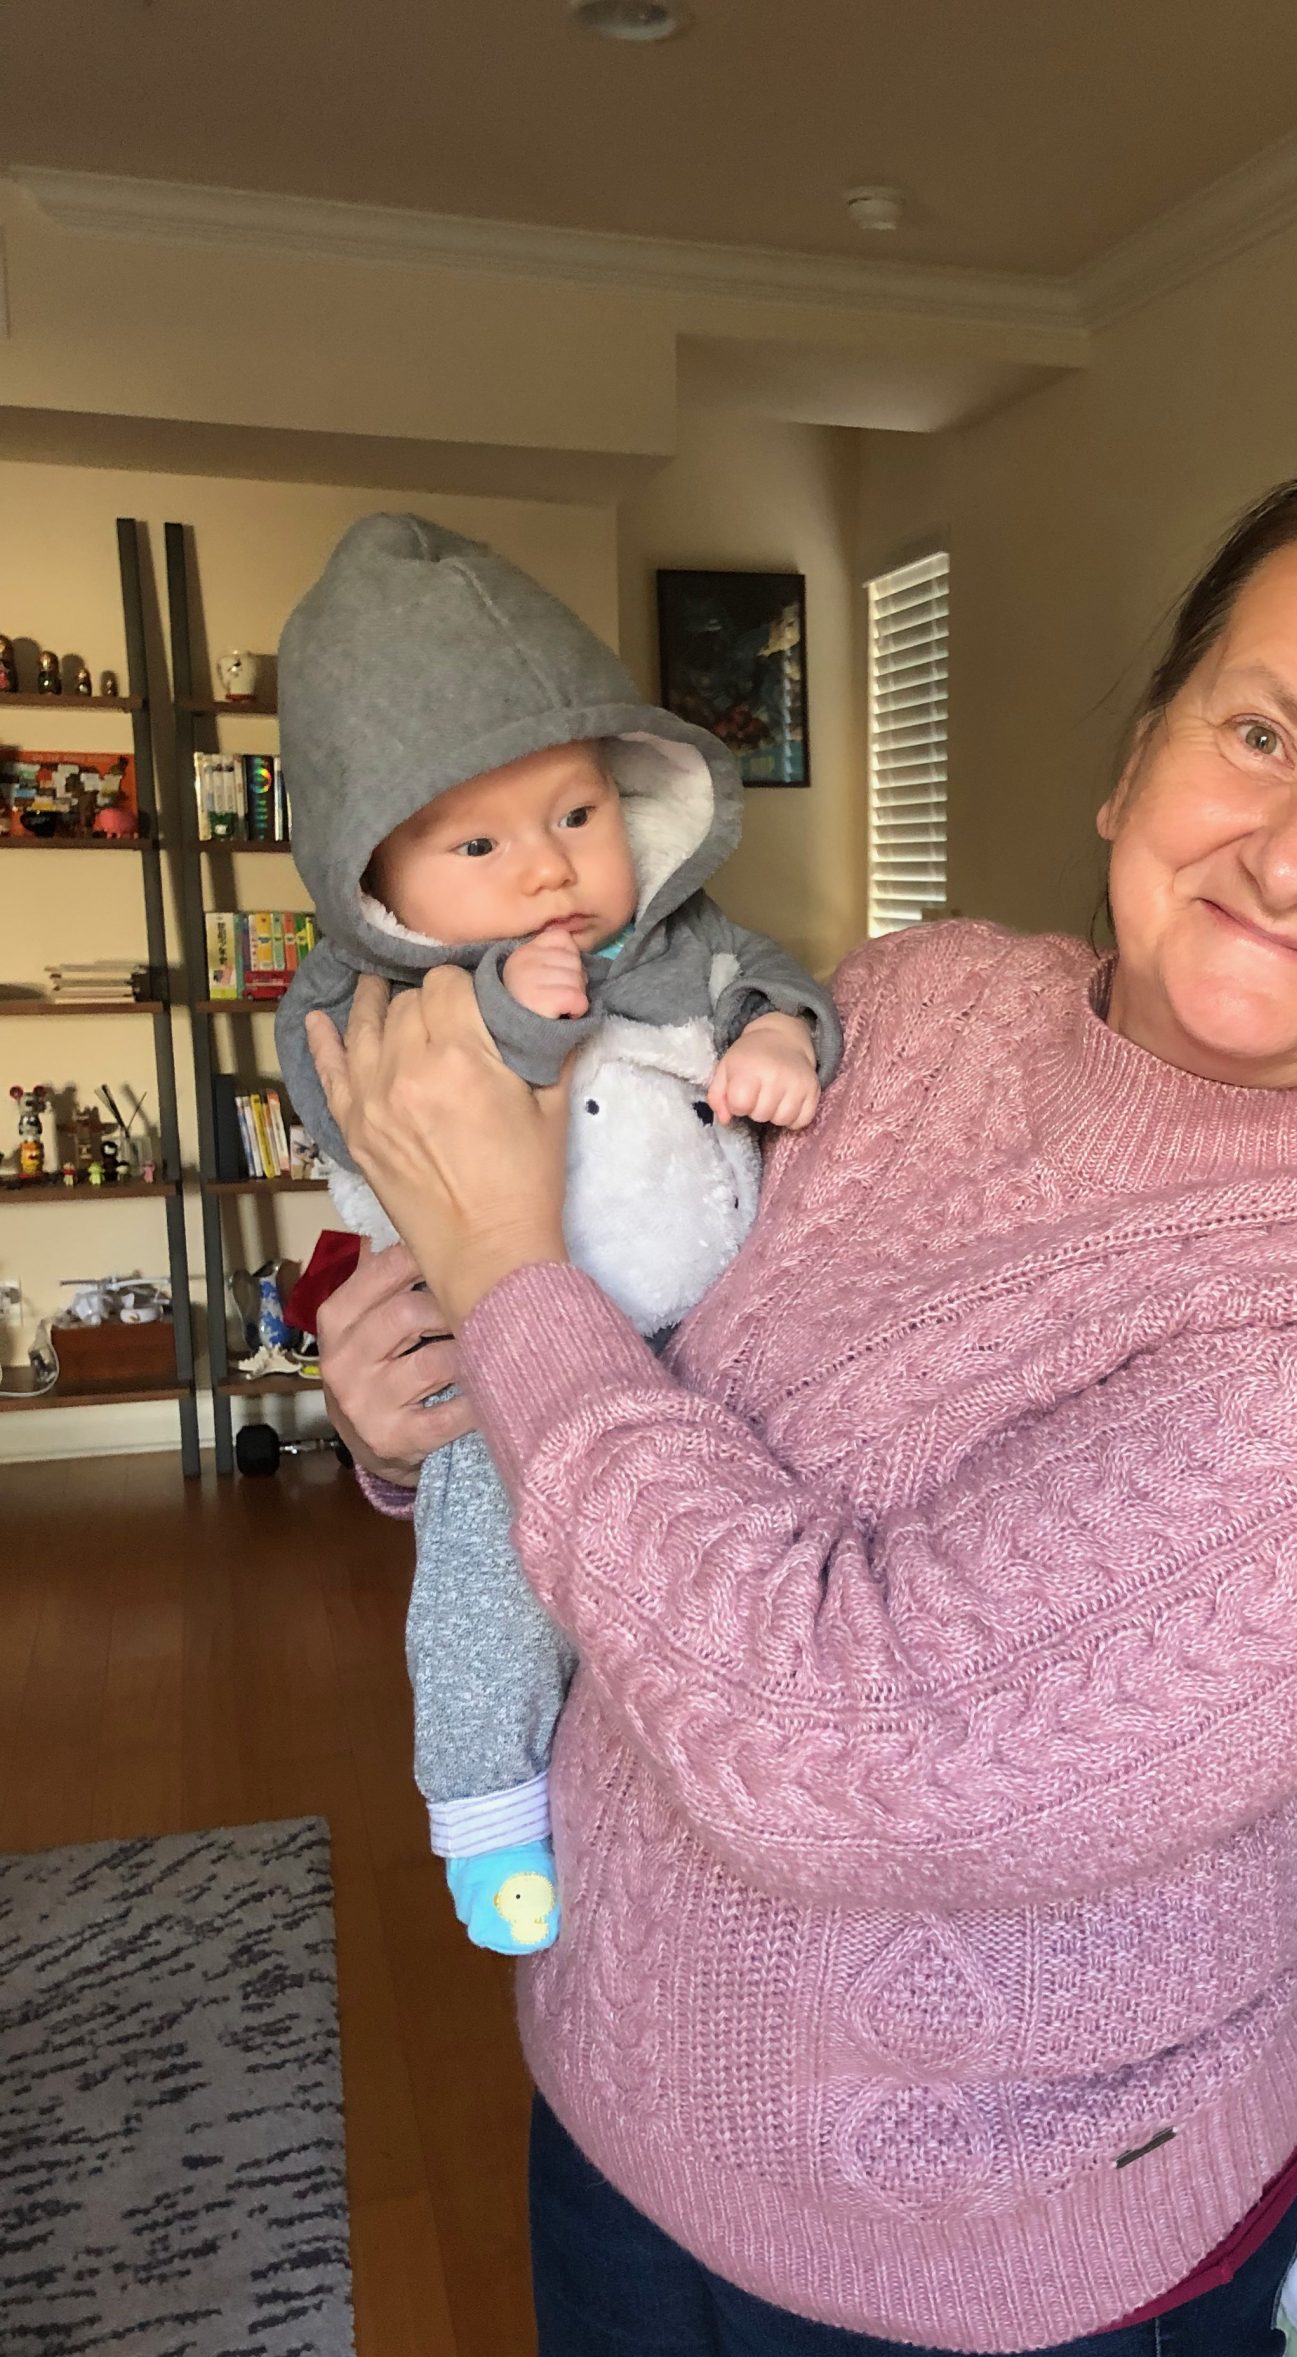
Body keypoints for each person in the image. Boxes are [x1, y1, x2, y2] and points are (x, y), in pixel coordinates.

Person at [312, 464, 1297, 2357]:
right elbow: (639, 1387)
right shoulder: (911, 1006)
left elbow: (859, 1751)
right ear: (1136, 758)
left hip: (998, 2288)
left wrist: (503, 1272)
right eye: (1260, 732)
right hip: (611, 2106)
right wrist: (430, 1404)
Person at [274, 514, 839, 1954]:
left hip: (709, 1329)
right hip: (484, 1354)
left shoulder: (676, 938)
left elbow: (768, 977)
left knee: (718, 1548)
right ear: (374, 882)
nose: (548, 872)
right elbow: (371, 1116)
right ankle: (484, 1816)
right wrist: (508, 1013)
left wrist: (779, 1034)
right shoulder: (354, 993)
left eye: (577, 815)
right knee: (487, 1588)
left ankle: (686, 1785)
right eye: (478, 842)